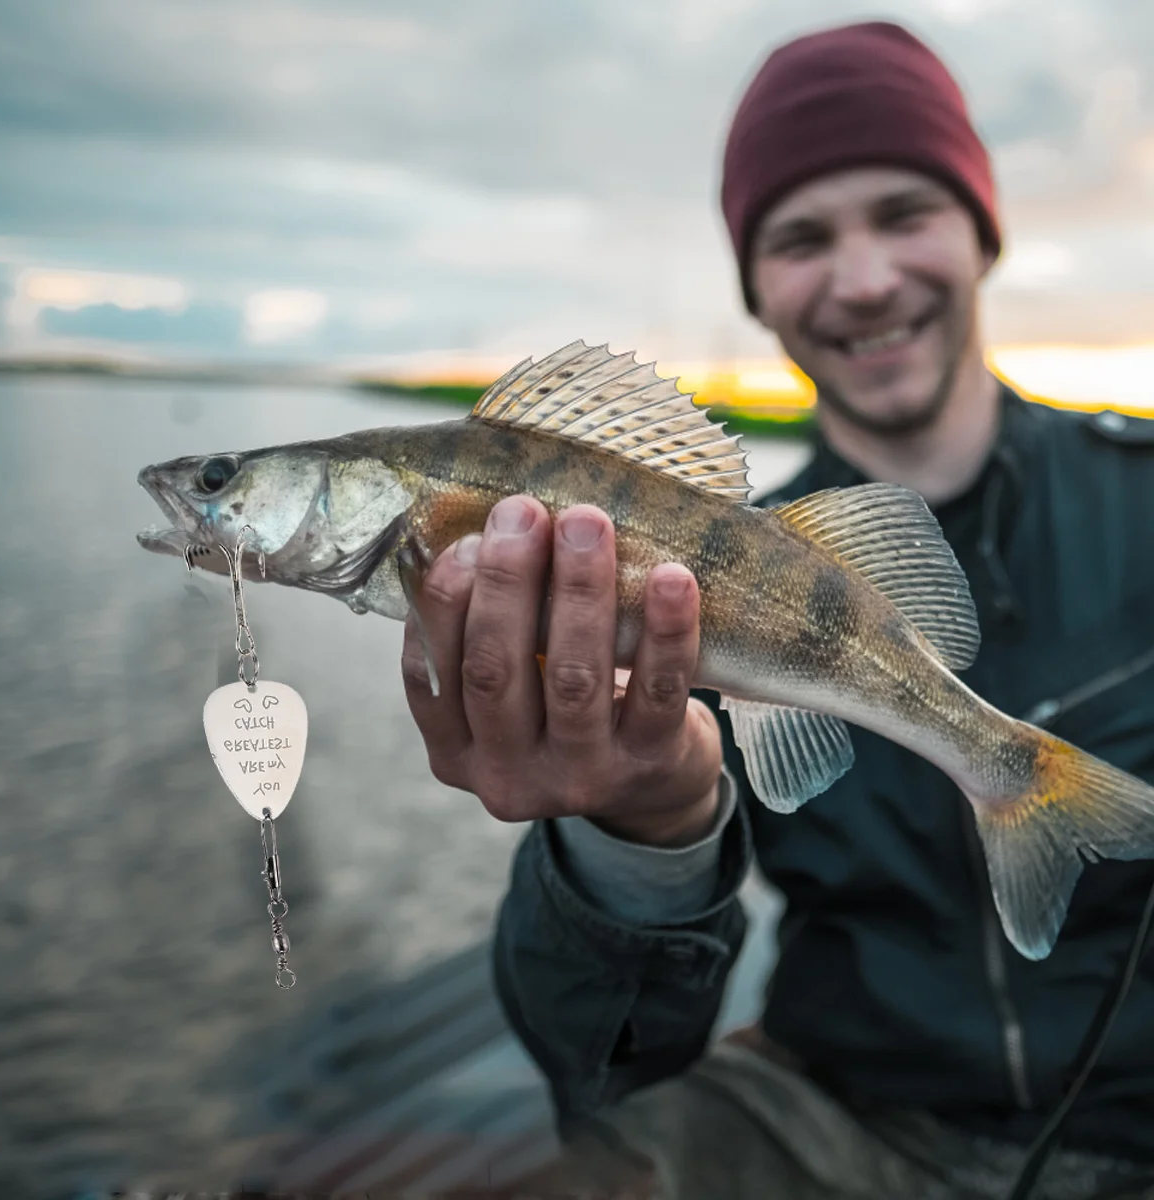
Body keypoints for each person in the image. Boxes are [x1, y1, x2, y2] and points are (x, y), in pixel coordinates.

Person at [400, 20, 1154, 1200]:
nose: (862, 279)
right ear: (758, 288)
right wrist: (638, 835)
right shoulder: (667, 586)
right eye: (802, 239)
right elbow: (610, 1067)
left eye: (904, 213)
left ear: (979, 233)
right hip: (841, 1114)